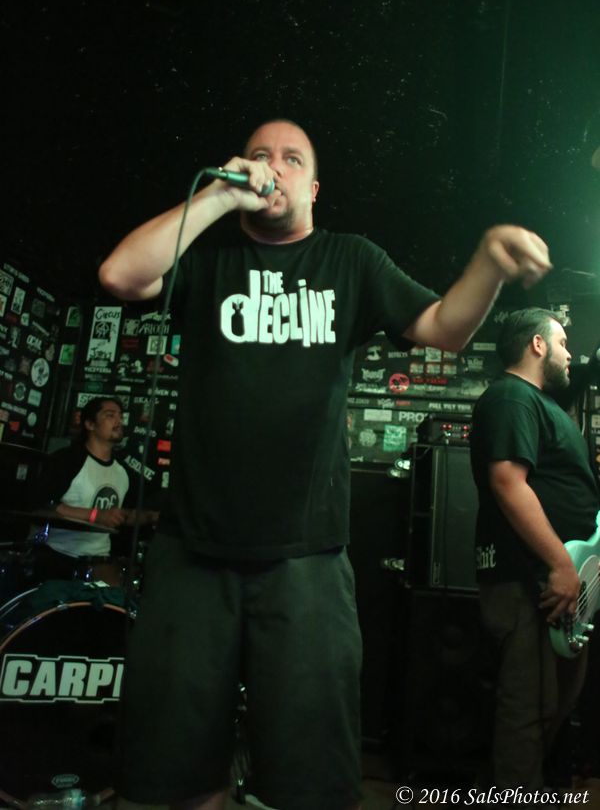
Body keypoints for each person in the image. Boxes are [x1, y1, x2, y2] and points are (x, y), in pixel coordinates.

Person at [99, 118, 552, 810]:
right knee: (180, 779)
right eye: (259, 155)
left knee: (312, 785)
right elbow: (120, 276)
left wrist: (488, 263)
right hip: (192, 553)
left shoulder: (350, 260)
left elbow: (443, 330)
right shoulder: (211, 260)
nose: (272, 166)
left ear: (313, 188)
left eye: (292, 159)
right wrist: (220, 196)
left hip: (306, 561)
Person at [470, 308, 599, 789]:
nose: (569, 353)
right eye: (562, 342)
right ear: (537, 345)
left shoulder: (540, 404)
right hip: (530, 580)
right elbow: (508, 482)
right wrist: (561, 564)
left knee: (553, 703)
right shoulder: (511, 397)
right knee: (527, 709)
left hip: (558, 580)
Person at [32, 396, 130, 585]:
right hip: (59, 557)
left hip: (101, 562)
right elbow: (42, 505)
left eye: (121, 416)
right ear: (90, 424)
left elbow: (127, 515)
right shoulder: (66, 461)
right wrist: (95, 515)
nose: (119, 421)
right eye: (110, 415)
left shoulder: (123, 473)